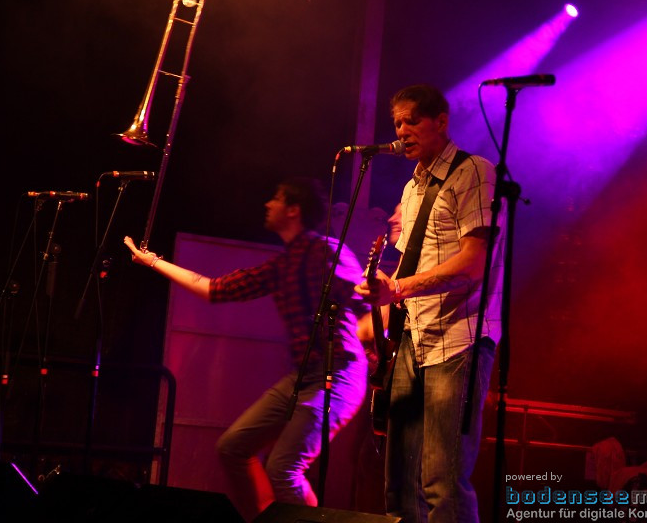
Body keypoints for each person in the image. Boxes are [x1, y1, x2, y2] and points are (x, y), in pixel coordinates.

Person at [124, 177, 367, 522]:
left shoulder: (326, 250)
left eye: (276, 199)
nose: (268, 205)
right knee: (233, 447)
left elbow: (364, 301)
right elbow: (215, 289)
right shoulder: (282, 265)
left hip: (338, 376)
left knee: (283, 468)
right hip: (300, 380)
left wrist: (375, 339)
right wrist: (152, 262)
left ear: (293, 210)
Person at [356, 83, 502, 523]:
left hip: (459, 341)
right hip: (413, 342)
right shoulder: (410, 189)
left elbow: (474, 263)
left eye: (412, 120)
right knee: (399, 483)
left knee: (442, 481)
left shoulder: (474, 172)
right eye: (397, 123)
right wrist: (379, 308)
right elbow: (408, 267)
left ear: (440, 121)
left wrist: (397, 289)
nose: (402, 131)